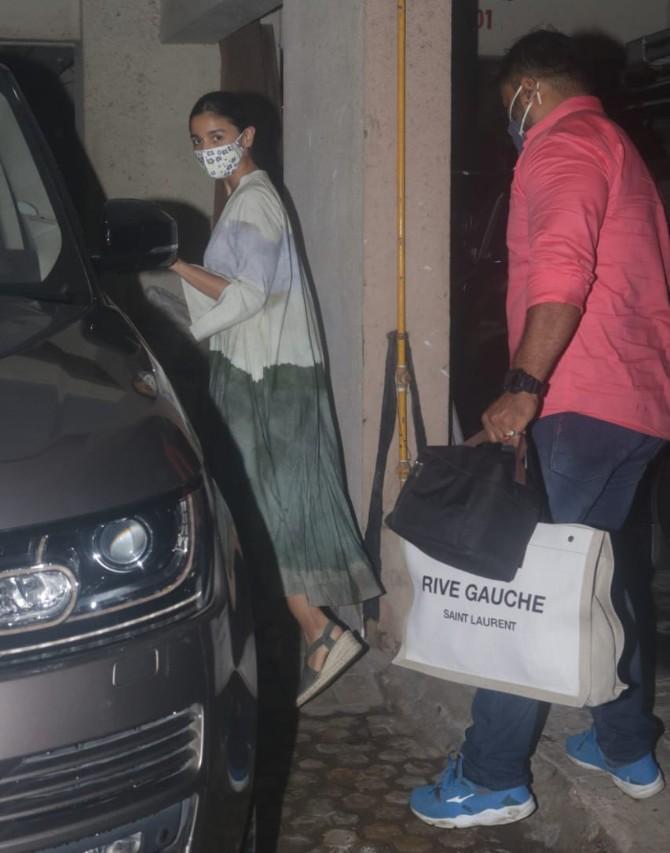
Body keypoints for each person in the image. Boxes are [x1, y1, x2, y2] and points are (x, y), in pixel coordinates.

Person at [410, 29, 670, 828]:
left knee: (527, 594)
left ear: (527, 91)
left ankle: (492, 776)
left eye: (507, 105)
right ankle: (624, 743)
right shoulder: (616, 145)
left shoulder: (562, 145)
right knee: (601, 580)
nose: (510, 120)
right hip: (633, 402)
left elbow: (561, 267)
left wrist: (524, 383)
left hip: (580, 401)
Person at [171, 91, 382, 707]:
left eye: (216, 137)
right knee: (262, 505)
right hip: (260, 371)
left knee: (261, 507)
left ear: (248, 135)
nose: (206, 150)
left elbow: (249, 293)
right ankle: (314, 633)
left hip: (265, 379)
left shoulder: (254, 201)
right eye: (198, 140)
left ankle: (318, 630)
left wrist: (177, 263)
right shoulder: (247, 199)